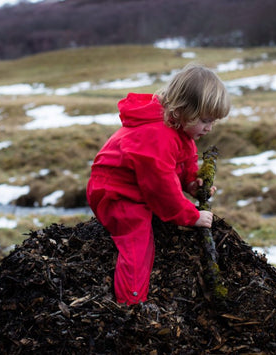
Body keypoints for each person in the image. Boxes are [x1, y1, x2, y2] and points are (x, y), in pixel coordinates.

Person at [86, 63, 231, 305]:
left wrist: (190, 181)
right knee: (138, 242)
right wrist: (190, 215)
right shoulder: (158, 136)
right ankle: (130, 303)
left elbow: (183, 157)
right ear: (184, 110)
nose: (209, 127)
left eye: (213, 121)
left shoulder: (177, 127)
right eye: (206, 120)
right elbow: (160, 187)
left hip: (135, 185)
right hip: (115, 192)